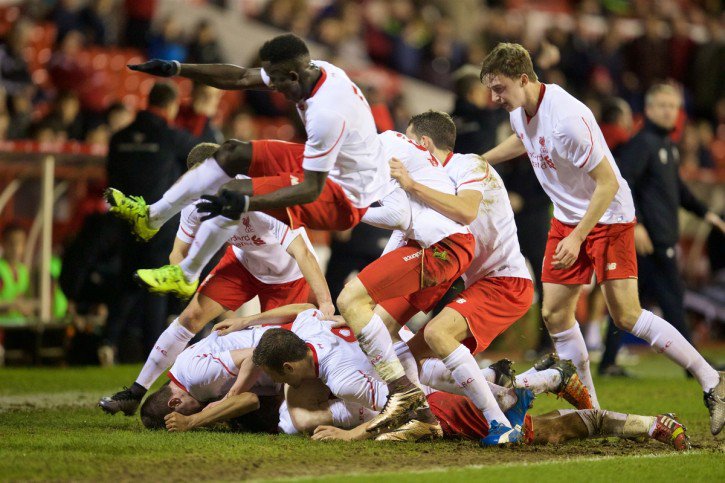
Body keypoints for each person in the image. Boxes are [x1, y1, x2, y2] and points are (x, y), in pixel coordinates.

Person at [478, 42, 724, 435]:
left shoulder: (568, 118)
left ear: (524, 79)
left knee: (625, 314)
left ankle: (712, 380)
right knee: (555, 313)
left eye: (500, 87)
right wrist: (482, 160)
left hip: (607, 216)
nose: (494, 97)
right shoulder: (520, 111)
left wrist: (577, 237)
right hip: (570, 217)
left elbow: (608, 183)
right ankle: (590, 409)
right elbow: (524, 141)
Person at [106, 33, 390, 297]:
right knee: (231, 151)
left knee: (235, 192)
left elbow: (311, 189)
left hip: (343, 198)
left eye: (277, 81)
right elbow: (241, 77)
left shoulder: (326, 114)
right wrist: (178, 68)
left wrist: (247, 203)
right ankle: (151, 217)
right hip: (338, 170)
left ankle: (187, 275)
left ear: (293, 75)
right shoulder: (313, 71)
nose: (272, 88)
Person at [98, 143, 333, 416]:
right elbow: (178, 252)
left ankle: (319, 402)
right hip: (243, 264)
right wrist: (183, 277)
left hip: (290, 275)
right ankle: (135, 393)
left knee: (282, 362)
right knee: (190, 318)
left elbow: (302, 252)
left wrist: (325, 304)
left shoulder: (262, 196)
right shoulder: (196, 202)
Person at [385, 110, 536, 444]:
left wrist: (410, 184)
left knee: (439, 333)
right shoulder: (430, 183)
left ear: (423, 144)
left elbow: (466, 210)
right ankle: (507, 396)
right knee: (410, 358)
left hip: (506, 281)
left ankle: (499, 424)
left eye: (407, 143)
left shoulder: (469, 165)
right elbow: (403, 234)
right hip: (476, 282)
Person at [599, 84, 725, 376]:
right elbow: (621, 183)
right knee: (671, 302)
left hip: (659, 240)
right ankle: (695, 367)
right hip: (650, 240)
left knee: (627, 306)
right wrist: (637, 224)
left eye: (674, 106)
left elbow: (677, 190)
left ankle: (608, 363)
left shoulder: (666, 145)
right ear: (650, 109)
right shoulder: (643, 144)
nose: (670, 112)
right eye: (664, 106)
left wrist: (707, 214)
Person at [103, 81, 200, 362]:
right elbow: (204, 155)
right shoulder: (171, 137)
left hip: (126, 221)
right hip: (160, 222)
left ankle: (109, 341)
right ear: (170, 105)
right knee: (155, 286)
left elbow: (111, 178)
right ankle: (152, 351)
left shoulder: (118, 137)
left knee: (126, 282)